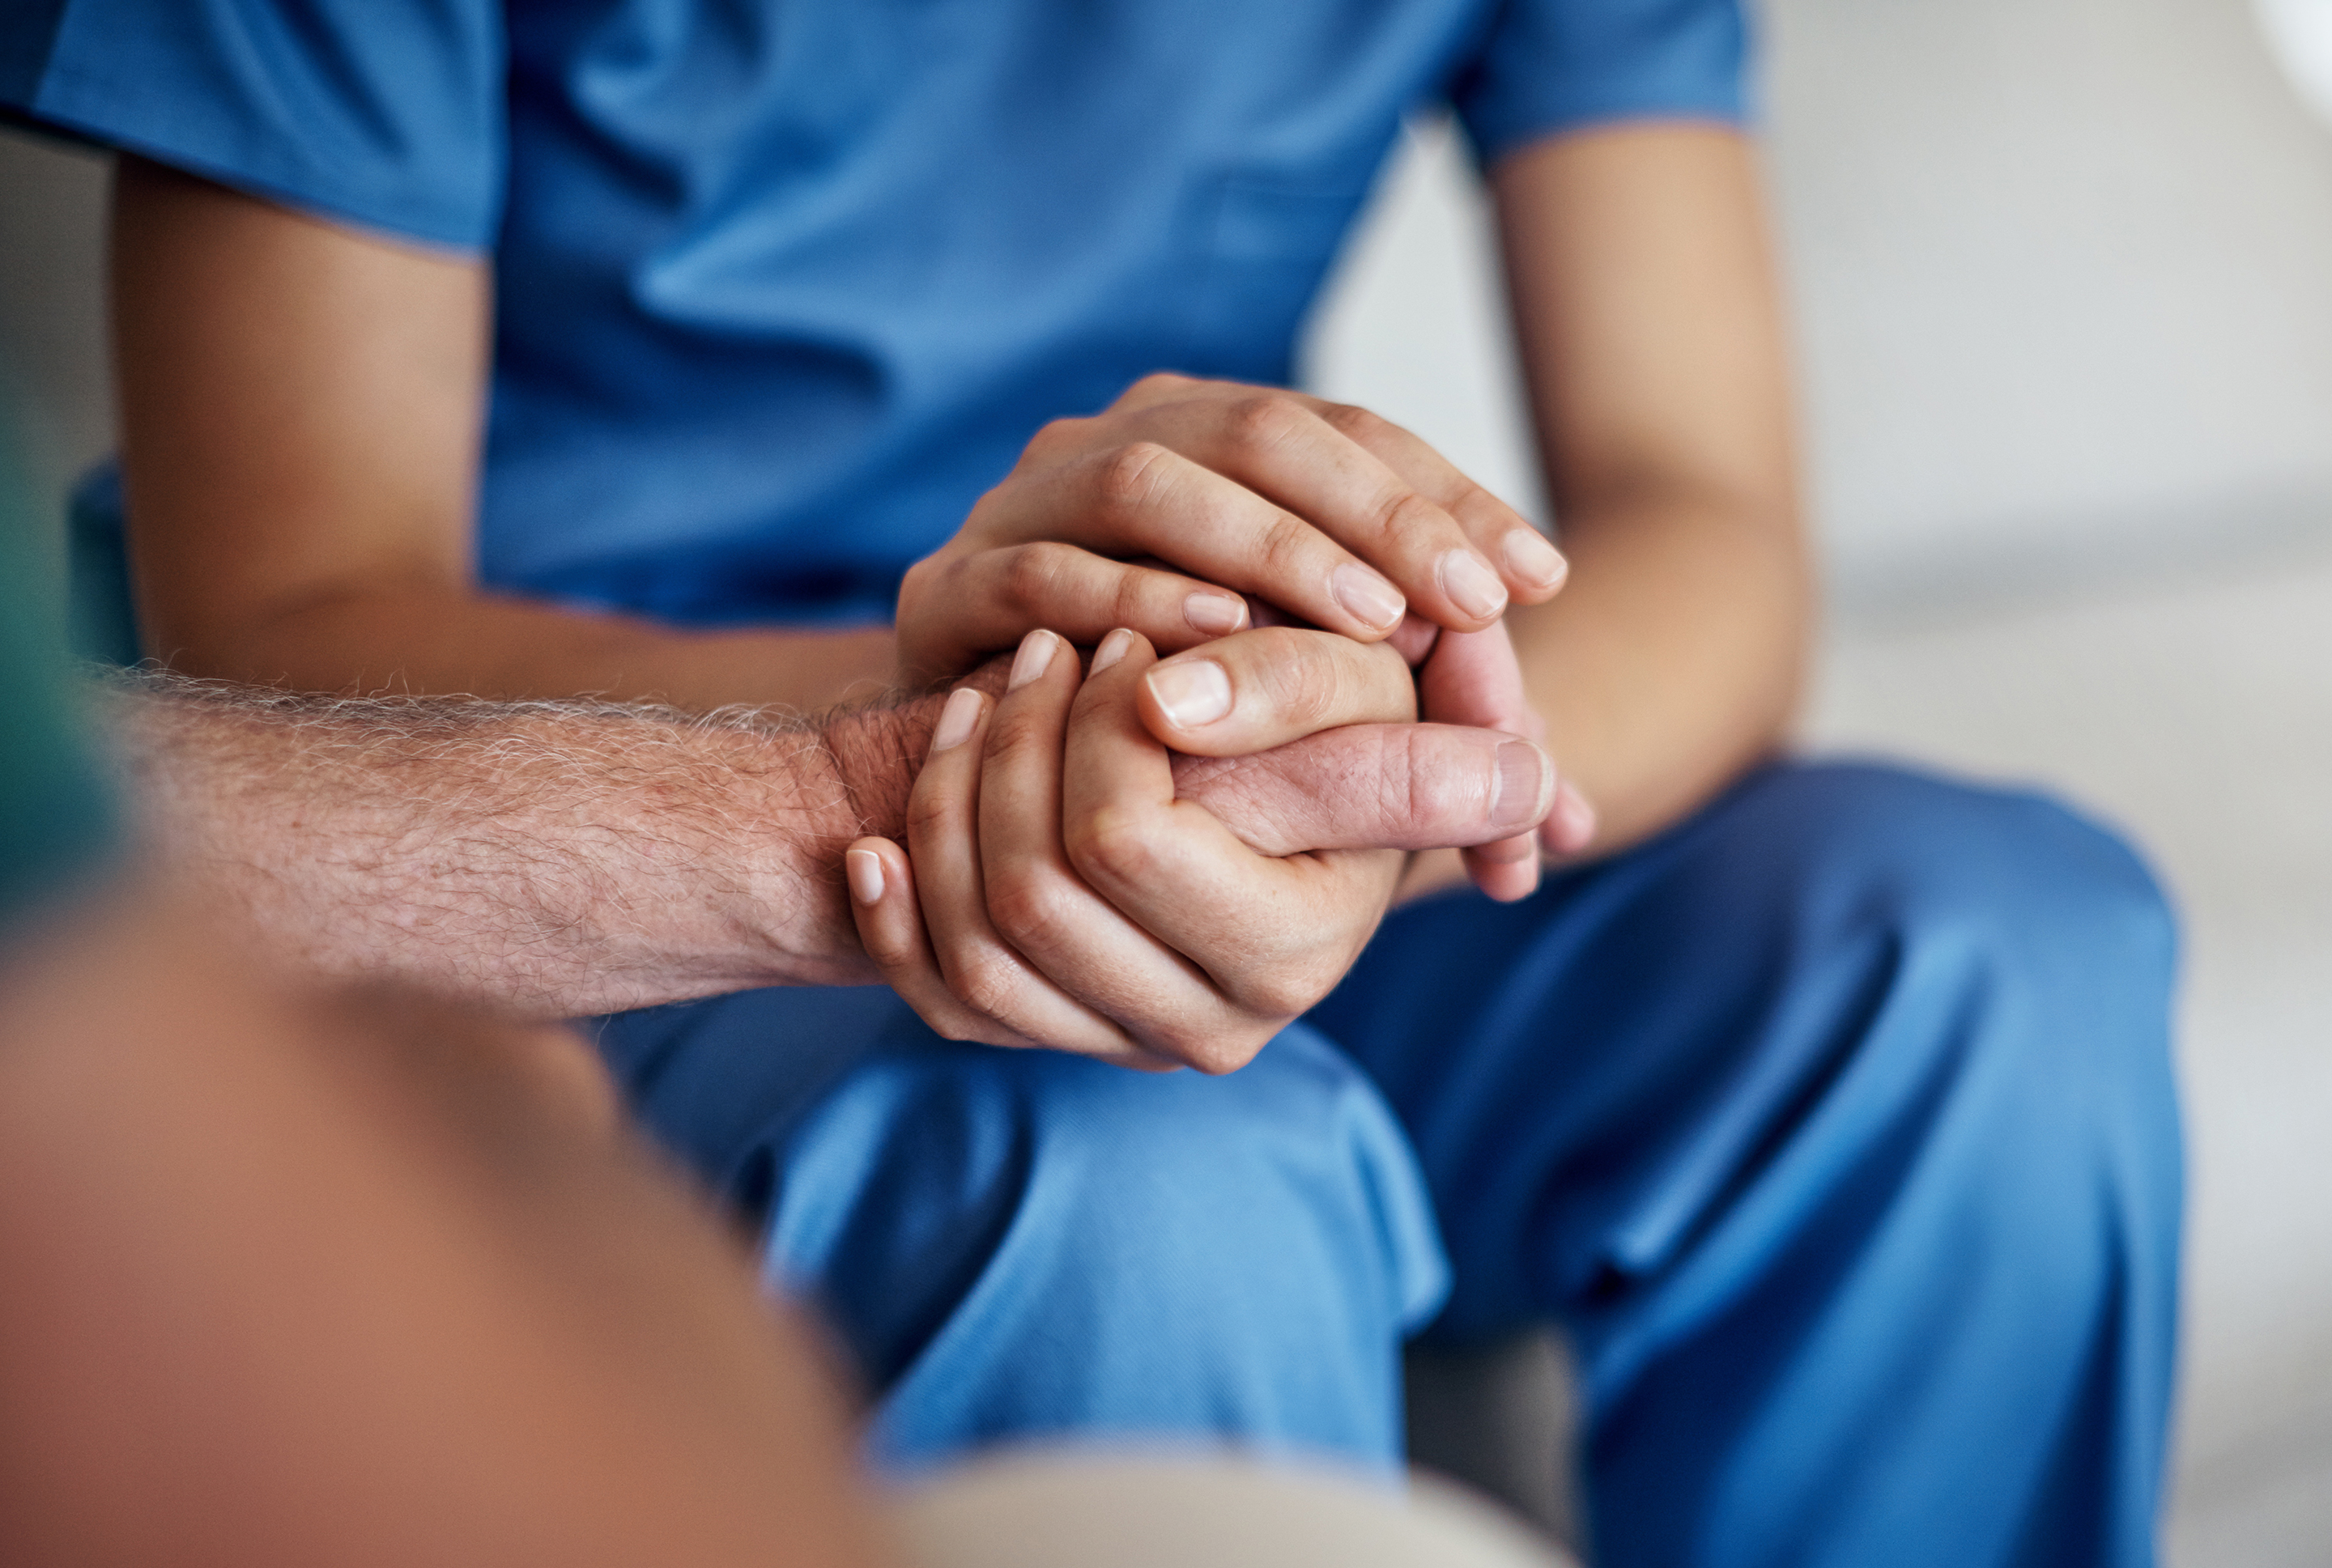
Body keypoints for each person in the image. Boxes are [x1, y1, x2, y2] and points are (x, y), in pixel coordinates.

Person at [3, 2, 2183, 1562]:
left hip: (1205, 735)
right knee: (1121, 1155)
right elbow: (288, 618)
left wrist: (1346, 782)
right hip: (605, 802)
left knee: (1984, 961)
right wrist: (1054, 767)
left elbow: (1705, 518)